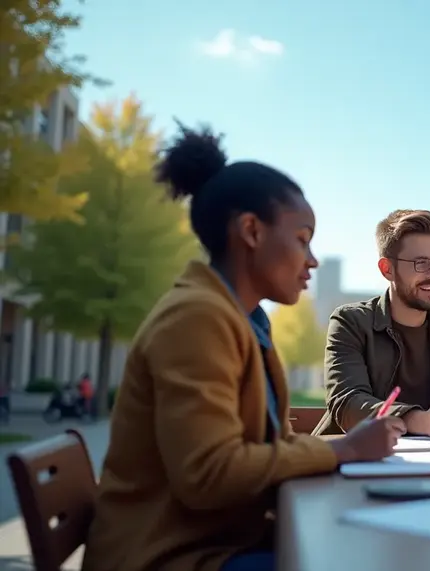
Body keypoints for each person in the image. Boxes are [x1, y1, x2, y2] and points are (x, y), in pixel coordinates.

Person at [82, 124, 405, 571]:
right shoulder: (196, 318)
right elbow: (210, 474)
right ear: (251, 230)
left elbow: (258, 444)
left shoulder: (242, 319)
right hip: (169, 557)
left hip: (219, 540)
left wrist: (341, 448)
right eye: (301, 238)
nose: (311, 259)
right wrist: (343, 450)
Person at [313, 209, 430, 437]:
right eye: (421, 263)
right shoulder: (350, 322)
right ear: (387, 269)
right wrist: (420, 420)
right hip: (353, 462)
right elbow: (348, 403)